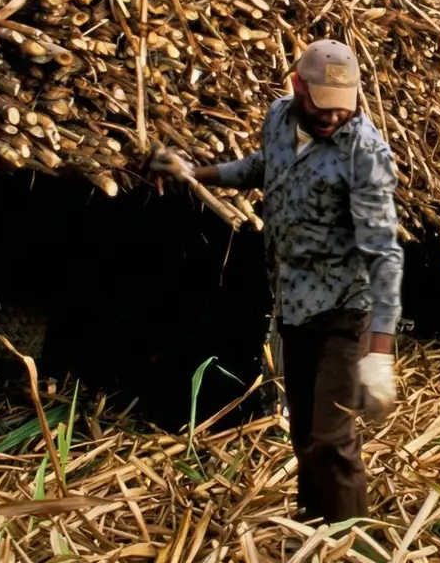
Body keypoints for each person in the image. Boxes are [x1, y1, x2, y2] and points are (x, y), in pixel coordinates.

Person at [150, 39, 401, 523]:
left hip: (346, 309)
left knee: (334, 437)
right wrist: (192, 172)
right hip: (293, 301)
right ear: (297, 86)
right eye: (321, 106)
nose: (332, 118)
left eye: (342, 108)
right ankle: (312, 529)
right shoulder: (280, 118)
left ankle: (350, 543)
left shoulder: (365, 153)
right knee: (304, 431)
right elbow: (261, 168)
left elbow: (384, 255)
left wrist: (380, 354)